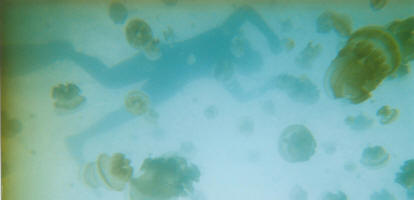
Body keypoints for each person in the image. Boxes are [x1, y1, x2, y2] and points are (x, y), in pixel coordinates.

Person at [4, 5, 282, 163]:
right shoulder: (225, 35)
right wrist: (270, 36)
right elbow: (245, 11)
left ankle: (80, 137)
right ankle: (66, 52)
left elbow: (242, 96)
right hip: (161, 58)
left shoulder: (227, 64)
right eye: (243, 58)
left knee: (123, 109)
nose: (236, 64)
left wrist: (273, 82)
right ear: (244, 51)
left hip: (168, 77)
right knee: (109, 81)